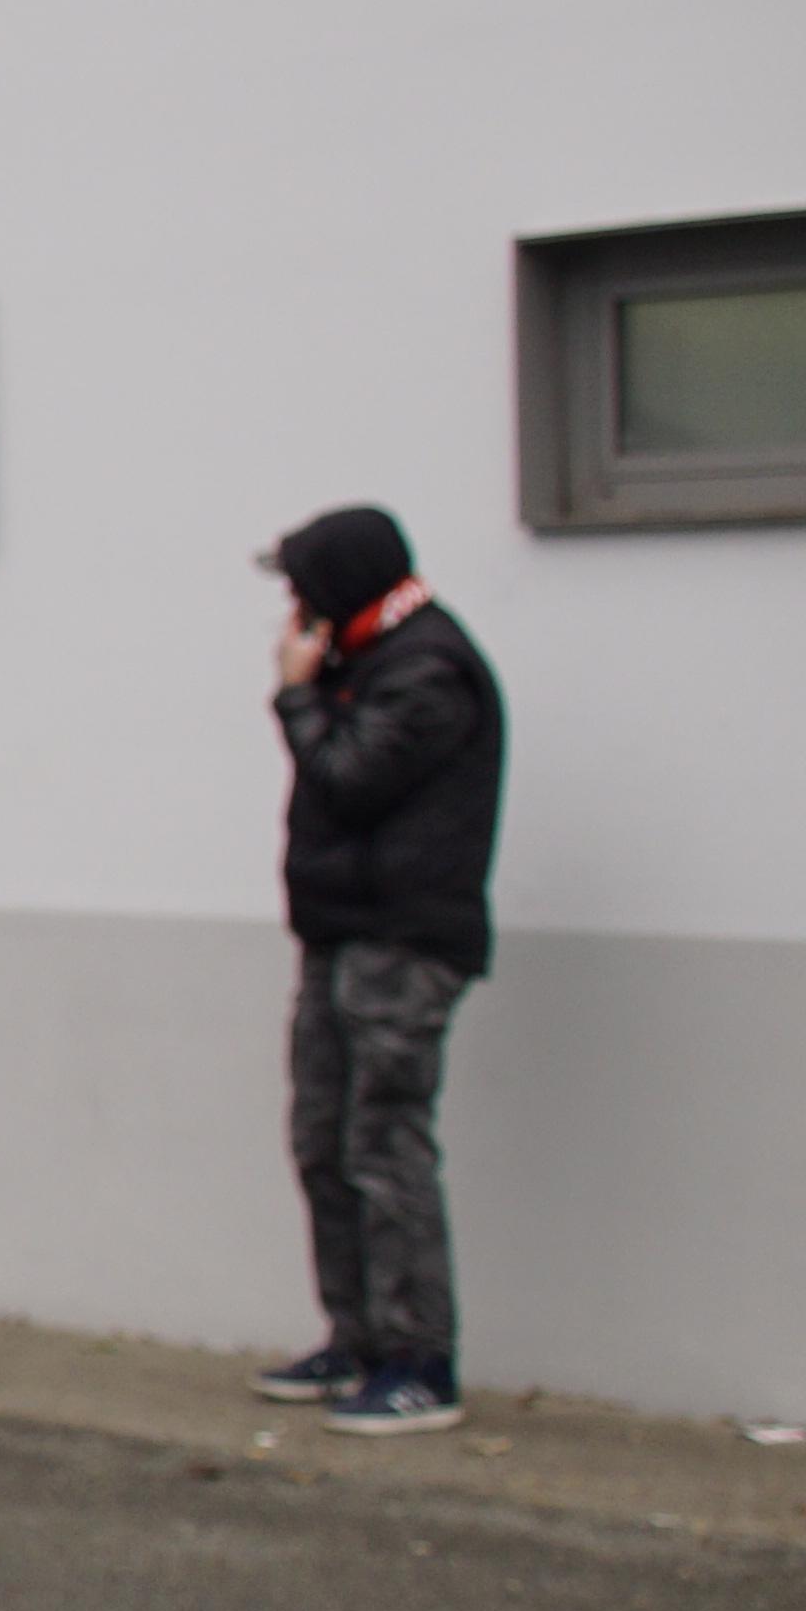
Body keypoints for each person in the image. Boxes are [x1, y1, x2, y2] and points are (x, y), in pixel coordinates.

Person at [259, 502, 504, 1437]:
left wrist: (296, 694)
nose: (291, 608)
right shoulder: (367, 663)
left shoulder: (428, 670)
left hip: (402, 945)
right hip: (338, 935)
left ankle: (419, 1360)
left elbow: (351, 777)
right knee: (322, 1138)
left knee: (383, 1145)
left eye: (301, 589)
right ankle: (355, 1338)